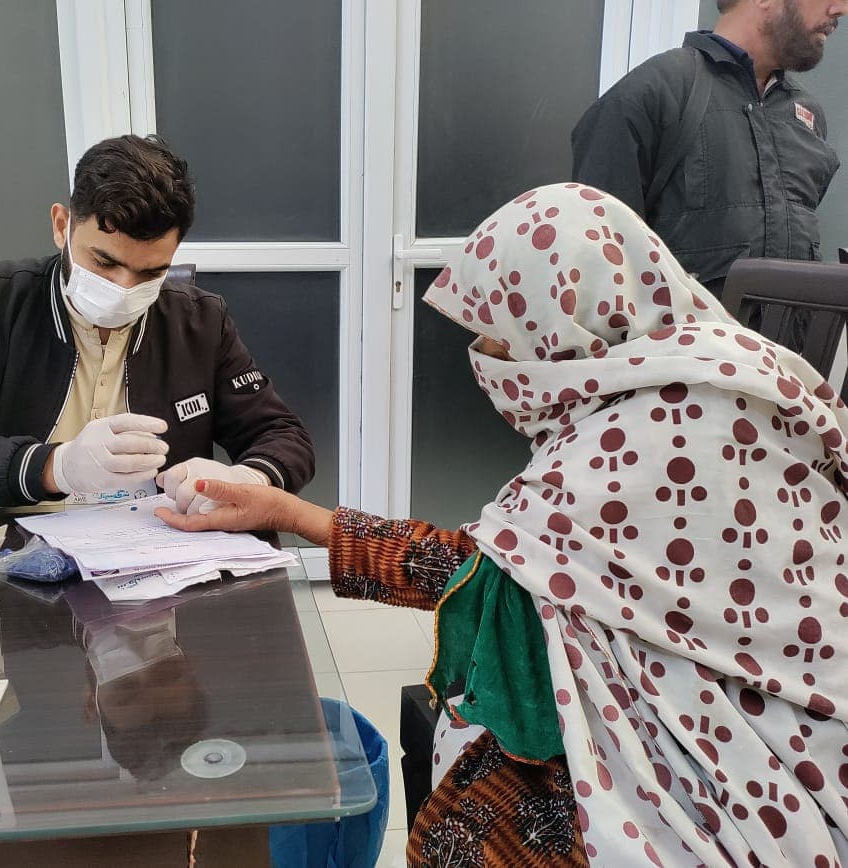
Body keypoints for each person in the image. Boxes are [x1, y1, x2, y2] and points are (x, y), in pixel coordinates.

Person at [158, 184, 848, 865]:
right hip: (795, 707)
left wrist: (286, 510)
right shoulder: (726, 370)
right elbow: (510, 565)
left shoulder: (636, 441)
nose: (486, 352)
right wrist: (282, 510)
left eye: (498, 329)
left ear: (564, 316)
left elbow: (482, 577)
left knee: (458, 836)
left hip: (723, 748)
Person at [0, 134, 314, 511]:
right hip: (19, 548)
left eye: (150, 272)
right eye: (104, 262)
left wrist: (246, 478)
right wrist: (53, 467)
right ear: (62, 226)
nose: (124, 287)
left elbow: (282, 435)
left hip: (158, 549)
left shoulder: (200, 321)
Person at [572, 0, 843, 297]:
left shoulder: (806, 116)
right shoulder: (655, 93)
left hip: (788, 345)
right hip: (679, 343)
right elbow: (599, 268)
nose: (841, 8)